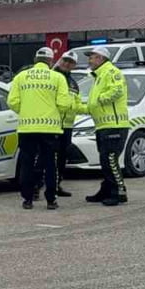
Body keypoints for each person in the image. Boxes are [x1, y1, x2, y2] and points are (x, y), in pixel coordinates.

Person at [7, 47, 72, 210]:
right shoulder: (57, 77)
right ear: (51, 61)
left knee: (27, 164)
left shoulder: (21, 77)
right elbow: (64, 104)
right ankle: (51, 199)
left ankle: (27, 199)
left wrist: (26, 111)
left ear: (35, 59)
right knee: (50, 164)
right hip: (50, 129)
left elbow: (12, 101)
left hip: (27, 128)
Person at [84, 47, 130, 206]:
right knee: (105, 160)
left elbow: (117, 91)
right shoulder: (99, 75)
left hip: (115, 125)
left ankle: (119, 192)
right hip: (103, 125)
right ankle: (107, 189)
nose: (89, 60)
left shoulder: (111, 72)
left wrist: (99, 100)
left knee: (110, 159)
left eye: (92, 57)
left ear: (101, 58)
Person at [50, 51, 85, 198]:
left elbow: (77, 104)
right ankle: (37, 187)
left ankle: (57, 185)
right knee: (47, 157)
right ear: (59, 60)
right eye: (65, 60)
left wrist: (92, 110)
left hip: (67, 126)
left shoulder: (73, 83)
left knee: (62, 158)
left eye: (70, 62)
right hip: (51, 124)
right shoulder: (51, 77)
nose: (66, 64)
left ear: (74, 66)